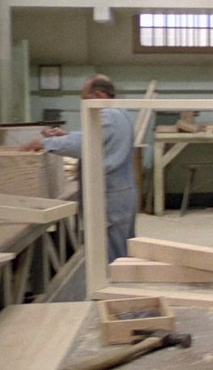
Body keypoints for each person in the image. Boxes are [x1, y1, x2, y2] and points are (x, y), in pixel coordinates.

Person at [21, 74, 136, 263]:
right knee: (119, 250)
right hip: (118, 193)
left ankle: (113, 282)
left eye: (85, 98)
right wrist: (65, 136)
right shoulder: (120, 113)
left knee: (110, 258)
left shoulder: (108, 114)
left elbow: (84, 143)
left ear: (99, 95)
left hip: (108, 197)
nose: (83, 103)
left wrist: (44, 142)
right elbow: (96, 140)